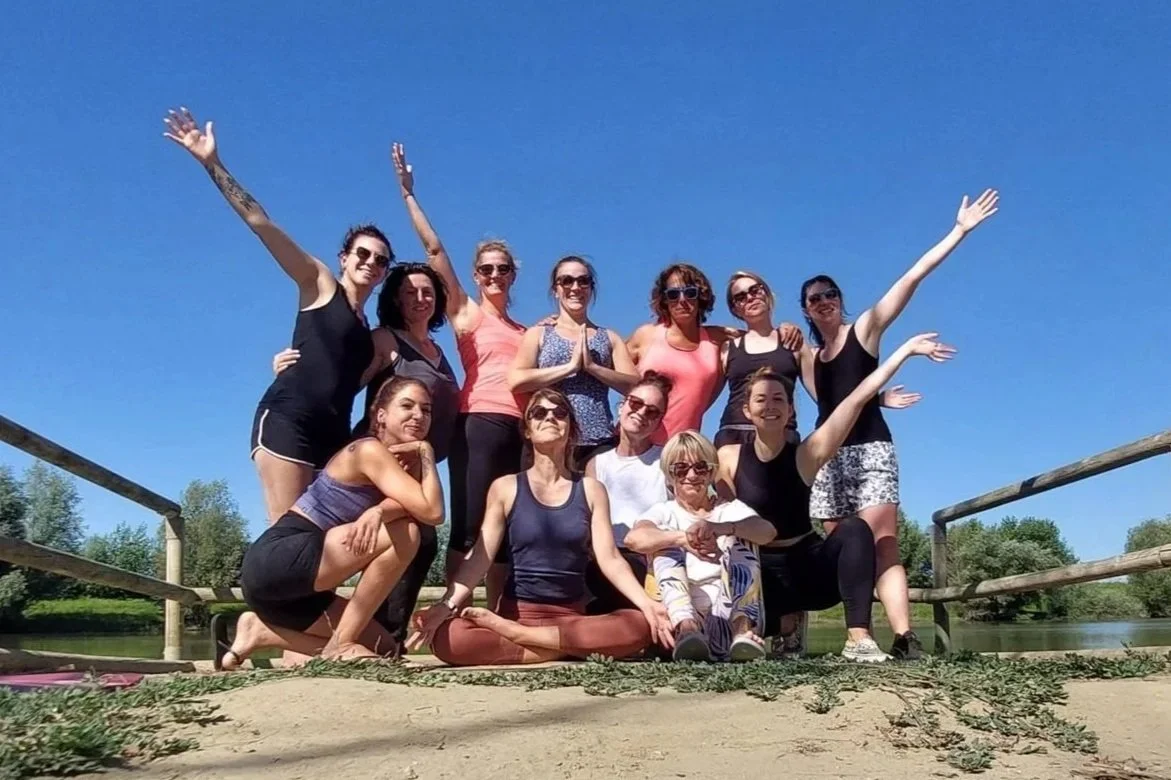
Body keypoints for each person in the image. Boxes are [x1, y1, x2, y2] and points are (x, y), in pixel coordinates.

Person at [163, 106, 393, 524]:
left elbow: (346, 380)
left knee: (323, 540)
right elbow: (260, 223)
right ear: (344, 257)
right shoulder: (319, 283)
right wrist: (213, 164)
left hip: (333, 436)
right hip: (290, 420)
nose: (371, 263)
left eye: (381, 260)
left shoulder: (368, 333)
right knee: (287, 540)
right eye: (363, 253)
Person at [799, 189, 999, 659]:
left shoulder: (865, 329)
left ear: (841, 300)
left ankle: (905, 637)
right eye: (814, 298)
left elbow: (911, 278)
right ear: (805, 309)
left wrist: (958, 231)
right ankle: (859, 637)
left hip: (871, 451)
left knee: (882, 543)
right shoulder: (810, 358)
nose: (824, 301)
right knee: (848, 550)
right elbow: (833, 405)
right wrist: (881, 398)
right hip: (829, 461)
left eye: (830, 294)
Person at [717, 333, 955, 662]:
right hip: (760, 580)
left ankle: (858, 639)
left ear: (790, 409)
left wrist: (905, 352)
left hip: (809, 572)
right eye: (761, 400)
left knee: (856, 528)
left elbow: (856, 399)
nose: (769, 406)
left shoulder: (807, 454)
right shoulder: (728, 456)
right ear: (746, 409)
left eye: (778, 399)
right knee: (729, 573)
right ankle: (783, 624)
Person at [408, 389, 673, 666]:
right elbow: (481, 557)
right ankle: (563, 648)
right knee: (449, 638)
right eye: (539, 413)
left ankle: (524, 639)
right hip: (518, 613)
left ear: (570, 429)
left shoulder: (591, 490)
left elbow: (610, 559)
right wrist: (446, 604)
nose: (550, 418)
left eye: (560, 413)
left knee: (639, 624)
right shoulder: (505, 487)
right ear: (527, 430)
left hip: (570, 619)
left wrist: (647, 604)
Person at [274, 261, 460, 649]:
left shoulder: (439, 352)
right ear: (395, 300)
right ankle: (378, 640)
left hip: (412, 466)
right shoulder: (386, 340)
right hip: (377, 465)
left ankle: (379, 641)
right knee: (406, 540)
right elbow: (340, 382)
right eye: (409, 292)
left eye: (427, 292)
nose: (420, 298)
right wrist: (290, 372)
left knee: (421, 541)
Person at [221, 377, 443, 669]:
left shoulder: (405, 465)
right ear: (381, 415)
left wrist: (380, 510)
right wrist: (427, 452)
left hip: (299, 594)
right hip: (279, 559)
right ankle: (342, 643)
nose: (418, 415)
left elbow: (417, 508)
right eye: (407, 406)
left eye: (426, 410)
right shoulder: (368, 450)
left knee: (384, 648)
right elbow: (432, 511)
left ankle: (260, 633)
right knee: (405, 534)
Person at [390, 143, 526, 608]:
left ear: (513, 275)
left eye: (502, 269)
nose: (494, 275)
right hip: (480, 423)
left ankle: (499, 620)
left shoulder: (526, 331)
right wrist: (409, 194)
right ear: (476, 274)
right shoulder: (467, 313)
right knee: (469, 524)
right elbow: (434, 250)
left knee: (506, 529)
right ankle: (452, 617)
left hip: (521, 430)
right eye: (486, 269)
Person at [716, 271, 923, 449]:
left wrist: (874, 400)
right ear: (735, 308)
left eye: (755, 289)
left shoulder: (793, 343)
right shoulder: (727, 348)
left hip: (782, 439)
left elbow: (826, 398)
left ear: (766, 293)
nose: (750, 297)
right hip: (734, 437)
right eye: (740, 297)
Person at [625, 430, 778, 662]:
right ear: (669, 475)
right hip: (676, 620)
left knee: (744, 535)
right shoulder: (664, 512)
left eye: (700, 467)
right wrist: (682, 539)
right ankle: (687, 629)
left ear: (711, 472)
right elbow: (634, 539)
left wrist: (720, 528)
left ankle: (743, 631)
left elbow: (767, 532)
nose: (691, 475)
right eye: (681, 469)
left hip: (726, 617)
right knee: (663, 542)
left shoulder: (729, 510)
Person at [629, 263, 802, 446]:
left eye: (690, 293)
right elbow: (613, 364)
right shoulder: (646, 335)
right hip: (635, 442)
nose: (682, 300)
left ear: (701, 297)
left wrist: (786, 329)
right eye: (673, 294)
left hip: (681, 449)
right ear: (664, 299)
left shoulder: (716, 339)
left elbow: (758, 335)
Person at [509, 257, 640, 466]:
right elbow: (517, 381)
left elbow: (636, 387)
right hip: (548, 441)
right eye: (567, 280)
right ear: (556, 289)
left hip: (597, 443)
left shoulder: (609, 337)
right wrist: (569, 367)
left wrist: (593, 368)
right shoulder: (538, 334)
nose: (575, 287)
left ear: (591, 288)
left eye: (583, 281)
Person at [583, 371, 673, 614]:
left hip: (655, 562)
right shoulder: (597, 464)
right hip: (607, 561)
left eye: (652, 411)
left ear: (659, 421)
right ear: (622, 405)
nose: (641, 413)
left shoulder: (667, 460)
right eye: (635, 403)